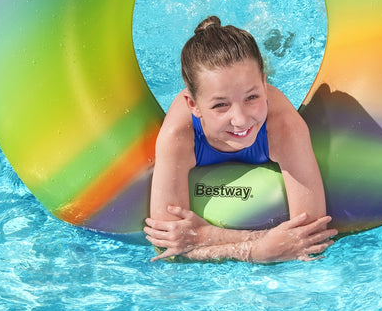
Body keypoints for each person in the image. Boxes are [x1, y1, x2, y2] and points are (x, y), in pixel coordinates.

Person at [143, 16, 336, 262]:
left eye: (252, 97)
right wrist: (255, 250)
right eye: (221, 105)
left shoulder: (285, 127)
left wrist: (205, 236)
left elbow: (310, 237)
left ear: (265, 87)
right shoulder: (179, 135)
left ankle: (271, 43)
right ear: (194, 105)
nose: (241, 119)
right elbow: (167, 247)